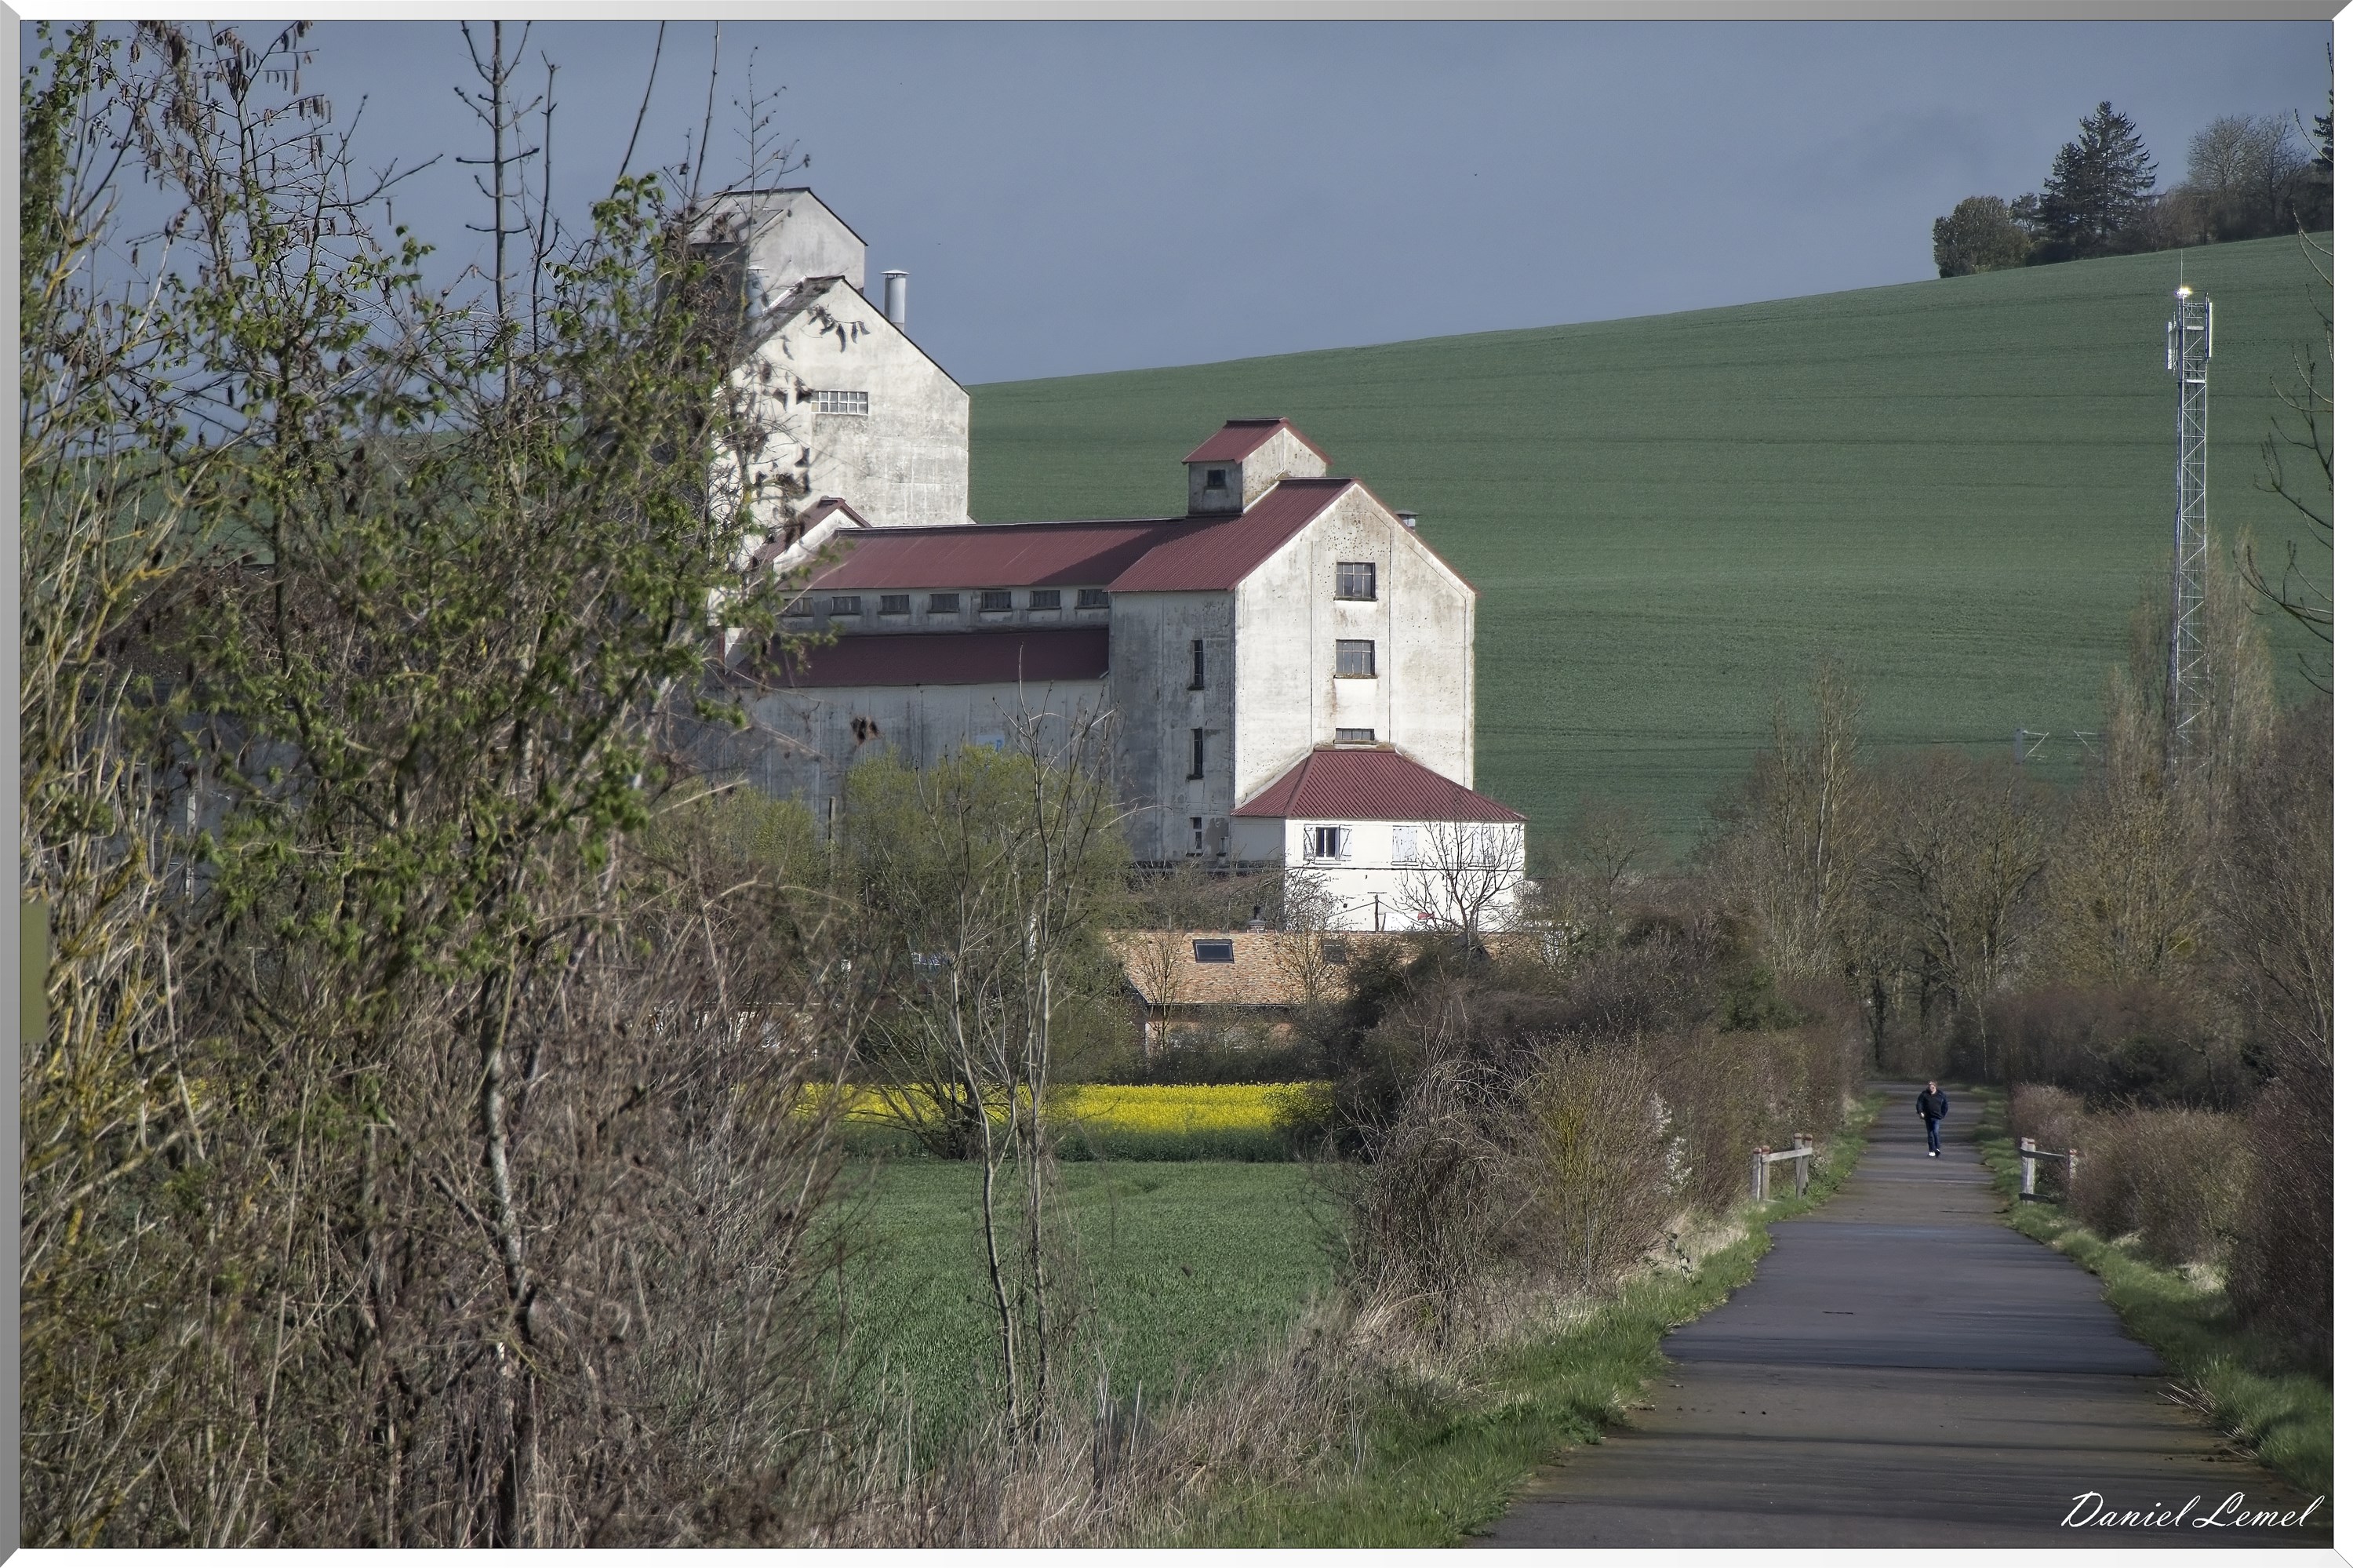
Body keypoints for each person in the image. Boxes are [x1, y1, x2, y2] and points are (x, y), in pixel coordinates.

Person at [1916, 1079, 1949, 1157]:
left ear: (1935, 1087)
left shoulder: (1941, 1095)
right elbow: (1919, 1103)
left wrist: (1942, 1114)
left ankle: (1937, 1148)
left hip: (1937, 1117)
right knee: (1930, 1134)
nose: (1931, 1088)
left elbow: (1945, 1105)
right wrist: (1920, 1112)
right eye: (1929, 1086)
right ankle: (1931, 1150)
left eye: (1932, 1087)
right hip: (1927, 1117)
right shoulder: (1924, 1094)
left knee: (1935, 1132)